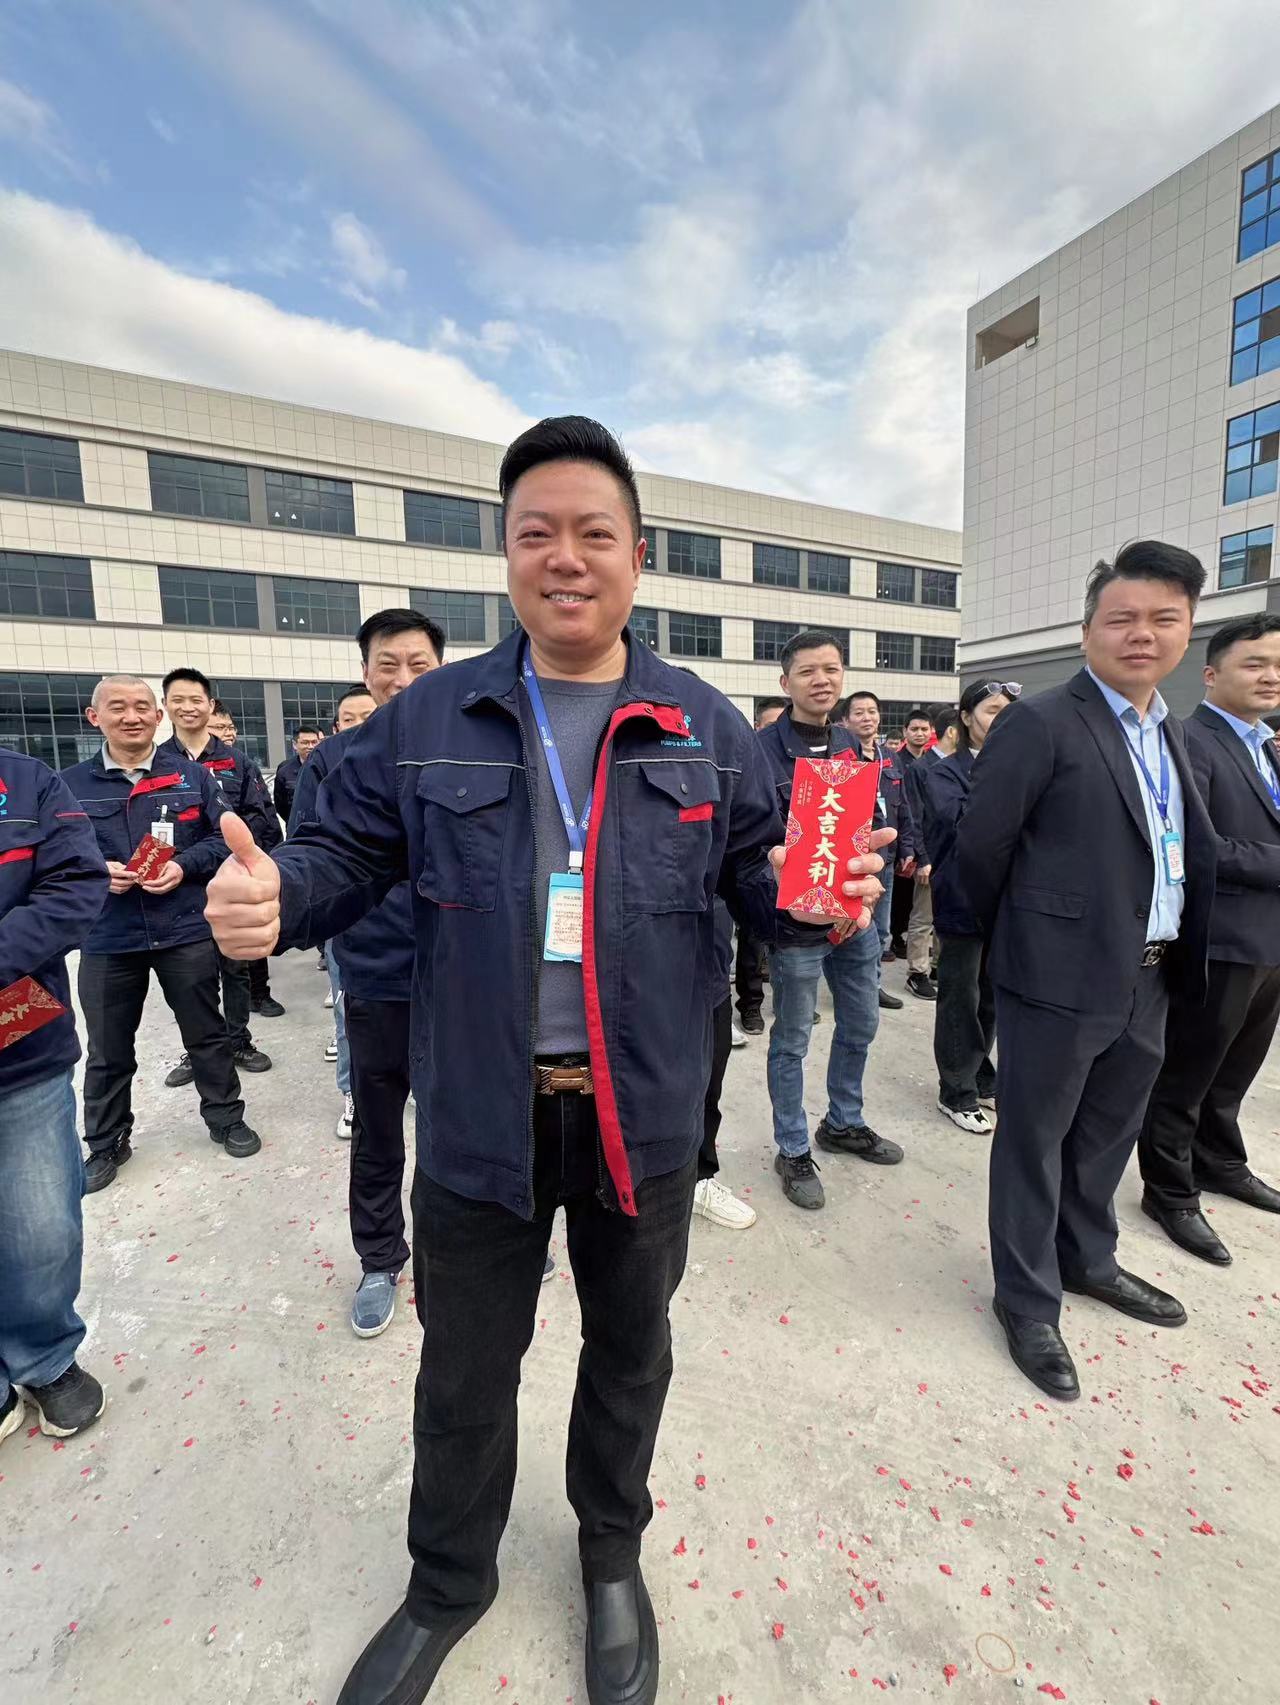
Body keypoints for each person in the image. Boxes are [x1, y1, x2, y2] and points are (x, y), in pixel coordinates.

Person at [204, 415, 888, 1705]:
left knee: (630, 1350)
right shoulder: (430, 716)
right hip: (482, 1112)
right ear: (505, 551)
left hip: (644, 1113)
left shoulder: (703, 725)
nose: (564, 557)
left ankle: (609, 1555)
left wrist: (821, 899)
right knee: (464, 1368)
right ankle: (446, 1582)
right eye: (536, 534)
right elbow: (342, 852)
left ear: (638, 554)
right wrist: (275, 895)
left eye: (592, 533)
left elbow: (761, 877)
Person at [957, 541, 1215, 1402]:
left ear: (1186, 632)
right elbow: (981, 851)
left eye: (1163, 619)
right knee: (1034, 1142)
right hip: (1054, 979)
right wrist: (1018, 954)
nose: (1143, 634)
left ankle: (1087, 1257)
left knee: (1107, 1134)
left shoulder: (1169, 728)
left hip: (1150, 974)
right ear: (1086, 631)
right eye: (1122, 618)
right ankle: (1028, 1299)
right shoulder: (1041, 722)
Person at [291, 622, 445, 1335]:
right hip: (379, 971)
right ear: (365, 672)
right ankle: (380, 1257)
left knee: (470, 1121)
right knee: (378, 1127)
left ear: (442, 668)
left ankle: (484, 1239)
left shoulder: (476, 748)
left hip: (468, 976)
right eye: (388, 664)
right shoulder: (334, 761)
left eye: (419, 663)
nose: (403, 677)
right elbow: (309, 859)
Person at [63, 676, 263, 1193]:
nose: (131, 716)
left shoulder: (192, 777)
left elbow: (225, 838)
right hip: (109, 936)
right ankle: (106, 1141)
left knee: (207, 1033)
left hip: (183, 929)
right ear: (94, 717)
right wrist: (94, 871)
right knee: (108, 1048)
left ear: (158, 717)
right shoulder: (67, 785)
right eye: (117, 707)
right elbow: (54, 855)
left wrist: (184, 865)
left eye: (141, 707)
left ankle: (226, 1118)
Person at [1139, 614, 1280, 1263]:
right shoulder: (1190, 742)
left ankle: (1219, 1159)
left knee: (1236, 1069)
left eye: (1278, 665)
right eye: (1255, 663)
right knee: (1187, 1073)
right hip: (1218, 941)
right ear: (1211, 673)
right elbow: (1197, 848)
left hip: (1268, 942)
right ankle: (1169, 1190)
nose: (1271, 676)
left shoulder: (1266, 745)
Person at [758, 630, 903, 1211]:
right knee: (793, 1038)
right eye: (808, 671)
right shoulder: (761, 750)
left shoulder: (851, 743)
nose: (822, 680)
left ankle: (843, 1121)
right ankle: (792, 1146)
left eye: (832, 669)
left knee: (861, 1023)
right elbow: (753, 837)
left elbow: (862, 825)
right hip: (796, 925)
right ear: (785, 682)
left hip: (851, 918)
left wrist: (867, 881)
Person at [0, 749, 110, 1447]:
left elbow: (76, 884)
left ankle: (44, 1355)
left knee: (40, 1225)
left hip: (20, 1051)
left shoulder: (28, 784)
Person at [159, 668, 276, 1082]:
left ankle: (239, 1039)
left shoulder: (236, 762)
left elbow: (259, 816)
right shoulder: (158, 763)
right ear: (165, 707)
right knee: (191, 976)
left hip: (230, 881)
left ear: (210, 706)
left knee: (236, 967)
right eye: (178, 700)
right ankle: (198, 1049)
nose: (188, 708)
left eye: (196, 700)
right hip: (179, 887)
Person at [922, 682, 1017, 1134]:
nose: (1001, 720)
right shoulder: (945, 773)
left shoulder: (1017, 768)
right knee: (960, 997)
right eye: (992, 710)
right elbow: (965, 825)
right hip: (961, 899)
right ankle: (955, 1090)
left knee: (991, 994)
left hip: (1005, 901)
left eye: (1007, 712)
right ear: (965, 717)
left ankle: (979, 1073)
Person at [313, 684, 377, 1139]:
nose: (358, 726)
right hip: (353, 917)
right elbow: (307, 835)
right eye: (348, 720)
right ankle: (352, 1090)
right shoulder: (327, 760)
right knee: (350, 1013)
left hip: (420, 917)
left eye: (366, 716)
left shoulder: (424, 747)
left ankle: (419, 1081)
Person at [841, 690, 919, 1010]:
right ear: (845, 720)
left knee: (881, 928)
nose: (867, 718)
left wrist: (907, 846)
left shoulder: (891, 757)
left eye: (872, 711)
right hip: (853, 860)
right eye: (859, 712)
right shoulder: (840, 756)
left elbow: (904, 806)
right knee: (851, 926)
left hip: (886, 857)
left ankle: (871, 987)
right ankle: (849, 987)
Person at [733, 697, 789, 1030]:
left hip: (788, 861)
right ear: (758, 727)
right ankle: (750, 1004)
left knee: (784, 938)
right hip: (752, 861)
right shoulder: (746, 758)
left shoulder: (792, 762)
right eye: (770, 725)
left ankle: (787, 1001)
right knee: (751, 939)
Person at [899, 704, 958, 1002]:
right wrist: (923, 858)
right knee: (924, 917)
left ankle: (937, 965)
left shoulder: (961, 765)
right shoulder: (921, 769)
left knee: (946, 915)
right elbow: (915, 817)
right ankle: (917, 972)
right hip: (932, 856)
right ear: (953, 731)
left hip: (955, 856)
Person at [888, 707, 934, 956]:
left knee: (917, 895)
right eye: (914, 729)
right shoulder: (897, 760)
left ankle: (905, 935)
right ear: (905, 732)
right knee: (901, 892)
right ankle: (896, 936)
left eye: (924, 729)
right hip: (903, 834)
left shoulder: (932, 761)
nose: (919, 733)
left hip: (925, 834)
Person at [273, 724, 323, 829]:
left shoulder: (328, 767)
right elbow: (280, 805)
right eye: (305, 743)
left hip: (323, 827)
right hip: (296, 828)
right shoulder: (284, 771)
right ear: (295, 745)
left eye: (314, 742)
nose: (310, 746)